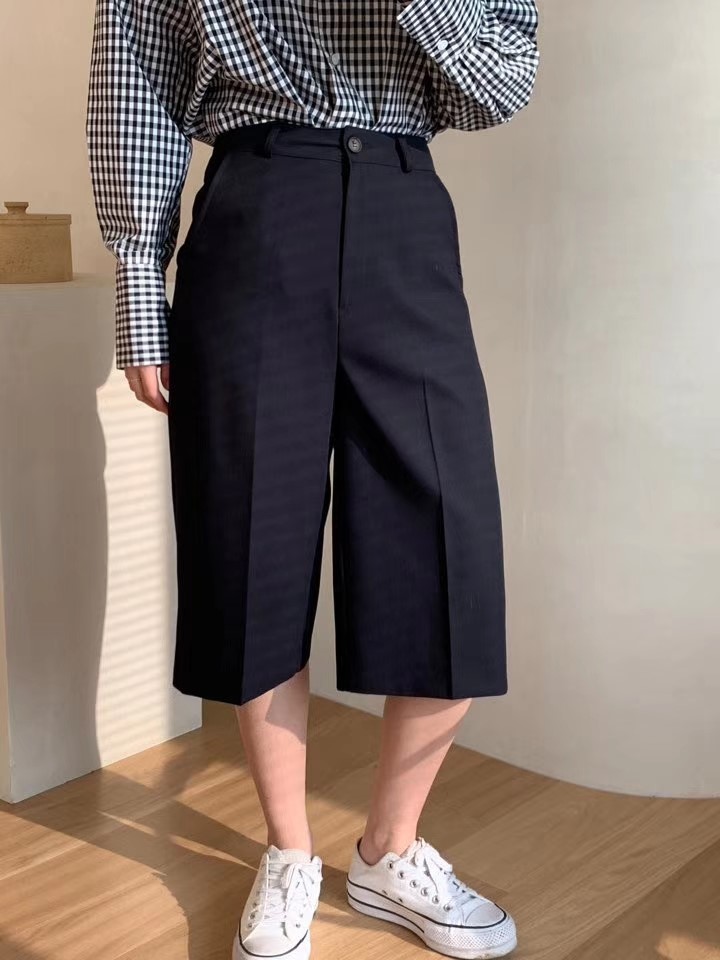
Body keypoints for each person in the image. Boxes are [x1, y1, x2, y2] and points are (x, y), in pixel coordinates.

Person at [85, 2, 539, 958]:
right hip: (257, 202)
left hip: (405, 207)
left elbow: (500, 84)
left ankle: (389, 849)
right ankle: (290, 851)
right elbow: (137, 68)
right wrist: (139, 287)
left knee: (448, 540)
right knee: (252, 543)